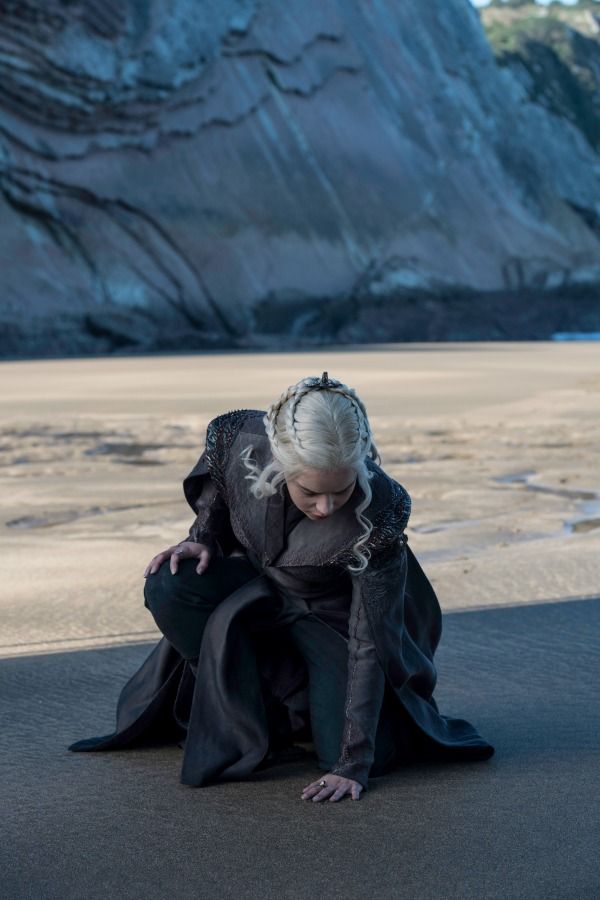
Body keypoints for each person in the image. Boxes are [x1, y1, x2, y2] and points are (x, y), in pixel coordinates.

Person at [69, 372, 494, 802]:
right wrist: (202, 538)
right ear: (280, 460)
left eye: (341, 490)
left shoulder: (383, 507)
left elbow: (370, 641)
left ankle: (322, 714)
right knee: (171, 582)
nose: (326, 507)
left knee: (347, 754)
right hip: (258, 588)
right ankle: (251, 711)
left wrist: (353, 761)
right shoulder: (238, 437)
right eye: (310, 491)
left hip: (334, 622)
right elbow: (222, 492)